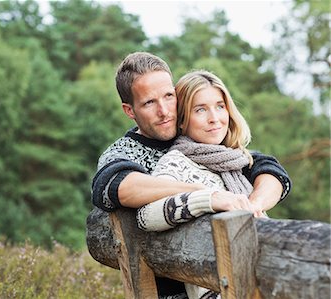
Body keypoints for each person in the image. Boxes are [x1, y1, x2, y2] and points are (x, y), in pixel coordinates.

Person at [91, 52, 291, 298]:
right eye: (149, 103)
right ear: (129, 110)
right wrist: (205, 194)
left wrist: (252, 207)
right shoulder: (124, 152)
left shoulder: (195, 135)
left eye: (168, 96)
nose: (164, 111)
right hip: (173, 285)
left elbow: (265, 167)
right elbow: (117, 186)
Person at [137, 69, 281, 299]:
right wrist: (210, 198)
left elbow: (275, 175)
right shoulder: (177, 162)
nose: (214, 117)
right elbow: (146, 216)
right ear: (182, 120)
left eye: (220, 106)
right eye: (200, 109)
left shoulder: (235, 161)